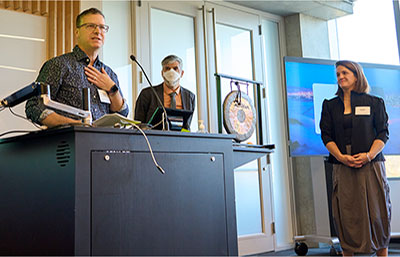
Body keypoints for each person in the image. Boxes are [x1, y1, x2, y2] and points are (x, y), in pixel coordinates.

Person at [320, 60, 391, 256]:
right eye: (338, 74)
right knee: (347, 214)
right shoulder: (330, 105)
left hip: (371, 163)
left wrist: (369, 155)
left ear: (356, 75)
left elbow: (383, 133)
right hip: (342, 164)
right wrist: (341, 157)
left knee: (377, 213)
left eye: (345, 73)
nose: (340, 77)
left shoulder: (375, 102)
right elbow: (326, 136)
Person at [25, 8, 129, 127]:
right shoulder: (59, 65)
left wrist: (112, 88)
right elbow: (34, 106)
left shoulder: (109, 74)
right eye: (91, 26)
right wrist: (77, 125)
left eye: (102, 27)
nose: (97, 31)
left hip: (103, 142)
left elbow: (122, 114)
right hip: (69, 141)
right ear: (77, 32)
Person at [134, 55, 195, 129]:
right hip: (152, 138)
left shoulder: (190, 97)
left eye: (175, 68)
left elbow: (186, 126)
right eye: (167, 68)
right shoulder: (147, 94)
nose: (171, 72)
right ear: (162, 73)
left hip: (180, 139)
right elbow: (138, 124)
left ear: (182, 73)